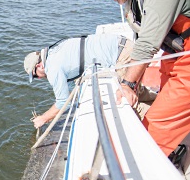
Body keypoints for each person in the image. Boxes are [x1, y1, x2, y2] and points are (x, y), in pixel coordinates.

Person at [81, 0, 190, 156]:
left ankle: (142, 168)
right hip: (178, 53)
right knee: (162, 98)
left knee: (156, 124)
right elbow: (142, 38)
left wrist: (127, 85)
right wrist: (134, 83)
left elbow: (147, 44)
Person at [23, 34, 153, 129]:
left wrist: (43, 118)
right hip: (124, 45)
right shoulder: (55, 50)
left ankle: (157, 126)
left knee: (126, 103)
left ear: (39, 66)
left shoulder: (52, 68)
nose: (39, 78)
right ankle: (157, 101)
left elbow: (63, 102)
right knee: (138, 92)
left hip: (122, 56)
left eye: (35, 75)